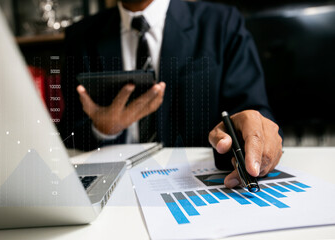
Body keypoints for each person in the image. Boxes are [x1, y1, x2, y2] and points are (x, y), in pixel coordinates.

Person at [59, 0, 283, 189]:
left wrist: (255, 135)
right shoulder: (80, 37)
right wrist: (102, 130)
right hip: (115, 186)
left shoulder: (222, 24)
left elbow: (252, 113)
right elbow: (67, 133)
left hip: (198, 184)